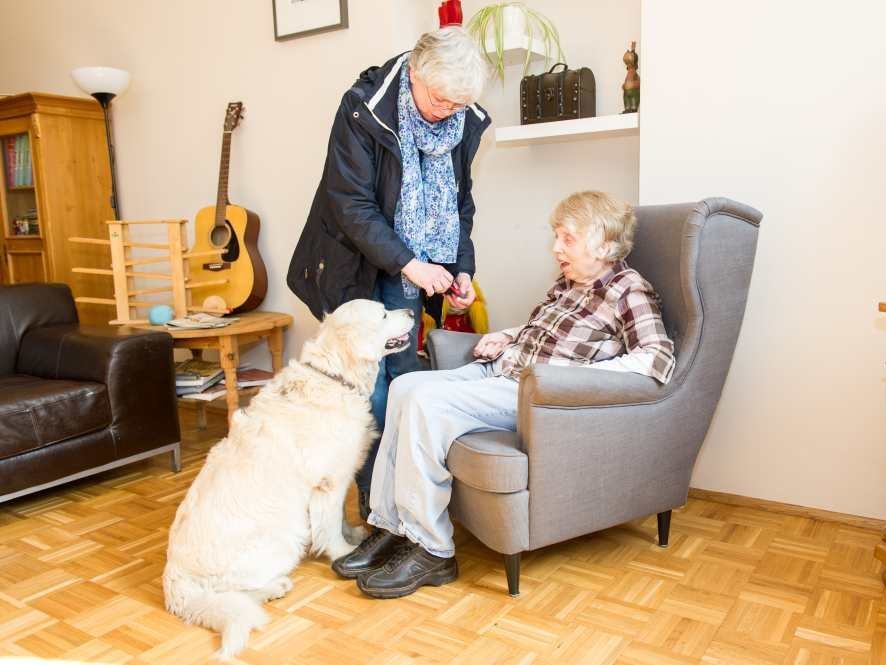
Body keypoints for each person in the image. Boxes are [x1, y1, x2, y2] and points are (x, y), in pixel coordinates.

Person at [331, 191, 677, 598]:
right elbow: (546, 333)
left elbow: (656, 358)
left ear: (603, 243)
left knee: (427, 404)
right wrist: (507, 335)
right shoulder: (569, 284)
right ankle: (394, 526)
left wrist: (571, 376)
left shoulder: (628, 290)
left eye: (567, 238)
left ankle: (432, 550)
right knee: (405, 387)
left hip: (530, 392)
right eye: (556, 237)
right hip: (502, 369)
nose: (555, 248)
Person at [287, 27, 491, 517]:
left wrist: (459, 268)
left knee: (404, 374)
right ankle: (370, 499)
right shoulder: (363, 106)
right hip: (353, 262)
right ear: (415, 73)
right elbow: (351, 205)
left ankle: (403, 494)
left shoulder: (463, 120)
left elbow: (458, 203)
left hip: (412, 270)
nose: (447, 111)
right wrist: (413, 265)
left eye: (457, 104)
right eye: (440, 99)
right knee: (366, 384)